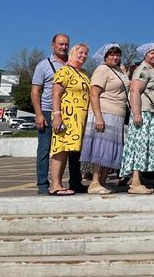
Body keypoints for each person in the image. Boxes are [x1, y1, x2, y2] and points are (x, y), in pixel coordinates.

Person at [31, 33, 84, 195]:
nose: (64, 47)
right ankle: (42, 184)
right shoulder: (43, 65)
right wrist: (39, 114)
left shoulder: (73, 63)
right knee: (46, 149)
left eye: (66, 44)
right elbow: (35, 91)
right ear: (52, 45)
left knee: (73, 150)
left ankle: (75, 181)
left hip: (70, 113)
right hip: (49, 111)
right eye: (60, 44)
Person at [81, 44, 129, 194]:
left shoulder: (118, 71)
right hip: (104, 113)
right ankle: (94, 182)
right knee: (101, 149)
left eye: (117, 55)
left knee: (109, 151)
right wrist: (98, 117)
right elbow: (94, 94)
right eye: (111, 55)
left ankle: (102, 182)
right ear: (105, 56)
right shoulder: (102, 69)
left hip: (117, 115)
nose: (115, 57)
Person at [120, 42, 154, 195]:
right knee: (139, 146)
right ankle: (135, 181)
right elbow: (134, 90)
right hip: (143, 112)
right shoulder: (143, 69)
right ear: (145, 55)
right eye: (151, 53)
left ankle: (138, 180)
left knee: (145, 146)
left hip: (151, 113)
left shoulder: (153, 69)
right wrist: (137, 113)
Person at [48, 43, 91, 195]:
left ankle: (74, 183)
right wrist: (57, 115)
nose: (83, 56)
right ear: (73, 53)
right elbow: (55, 94)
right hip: (66, 117)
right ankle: (55, 185)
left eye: (86, 53)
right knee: (61, 149)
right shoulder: (64, 71)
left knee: (73, 152)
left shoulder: (84, 73)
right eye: (80, 53)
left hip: (80, 119)